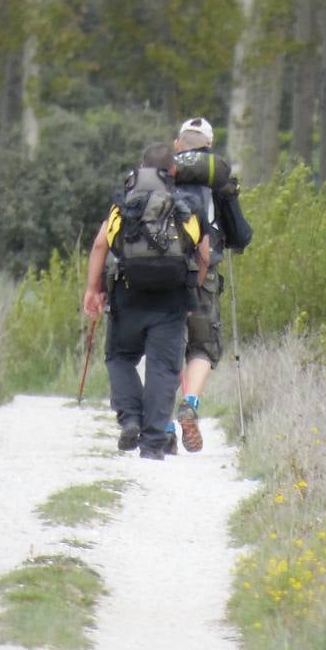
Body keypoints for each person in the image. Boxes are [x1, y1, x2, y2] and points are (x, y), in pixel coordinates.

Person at [83, 143, 210, 460]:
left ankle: (130, 418)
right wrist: (195, 283)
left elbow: (101, 245)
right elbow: (204, 254)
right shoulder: (185, 206)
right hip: (171, 299)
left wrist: (92, 289)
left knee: (120, 358)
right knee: (163, 369)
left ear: (141, 168)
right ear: (173, 171)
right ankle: (153, 443)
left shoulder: (125, 204)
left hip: (128, 295)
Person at [167, 117, 253, 453]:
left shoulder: (162, 174)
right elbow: (242, 236)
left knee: (166, 345)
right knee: (202, 346)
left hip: (161, 272)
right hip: (204, 275)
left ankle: (162, 422)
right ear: (208, 147)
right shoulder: (219, 182)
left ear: (178, 145)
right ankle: (189, 404)